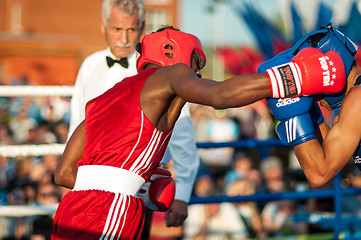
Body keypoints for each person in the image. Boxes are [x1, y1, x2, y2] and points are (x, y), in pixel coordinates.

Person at [51, 25, 347, 239]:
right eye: (195, 62)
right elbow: (220, 96)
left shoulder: (102, 100)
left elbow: (64, 173)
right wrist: (296, 77)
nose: (198, 73)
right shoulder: (169, 74)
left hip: (71, 210)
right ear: (172, 52)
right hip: (110, 211)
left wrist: (137, 184)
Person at [68, 0, 200, 229]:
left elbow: (183, 135)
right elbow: (76, 125)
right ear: (103, 25)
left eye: (131, 29)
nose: (124, 38)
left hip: (141, 186)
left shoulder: (160, 69)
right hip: (89, 188)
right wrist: (71, 181)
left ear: (142, 27)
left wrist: (182, 194)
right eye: (117, 29)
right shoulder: (90, 65)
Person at [257, 23, 361, 190]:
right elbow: (329, 152)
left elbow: (320, 175)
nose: (315, 97)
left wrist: (293, 114)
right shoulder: (351, 103)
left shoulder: (358, 98)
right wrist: (309, 111)